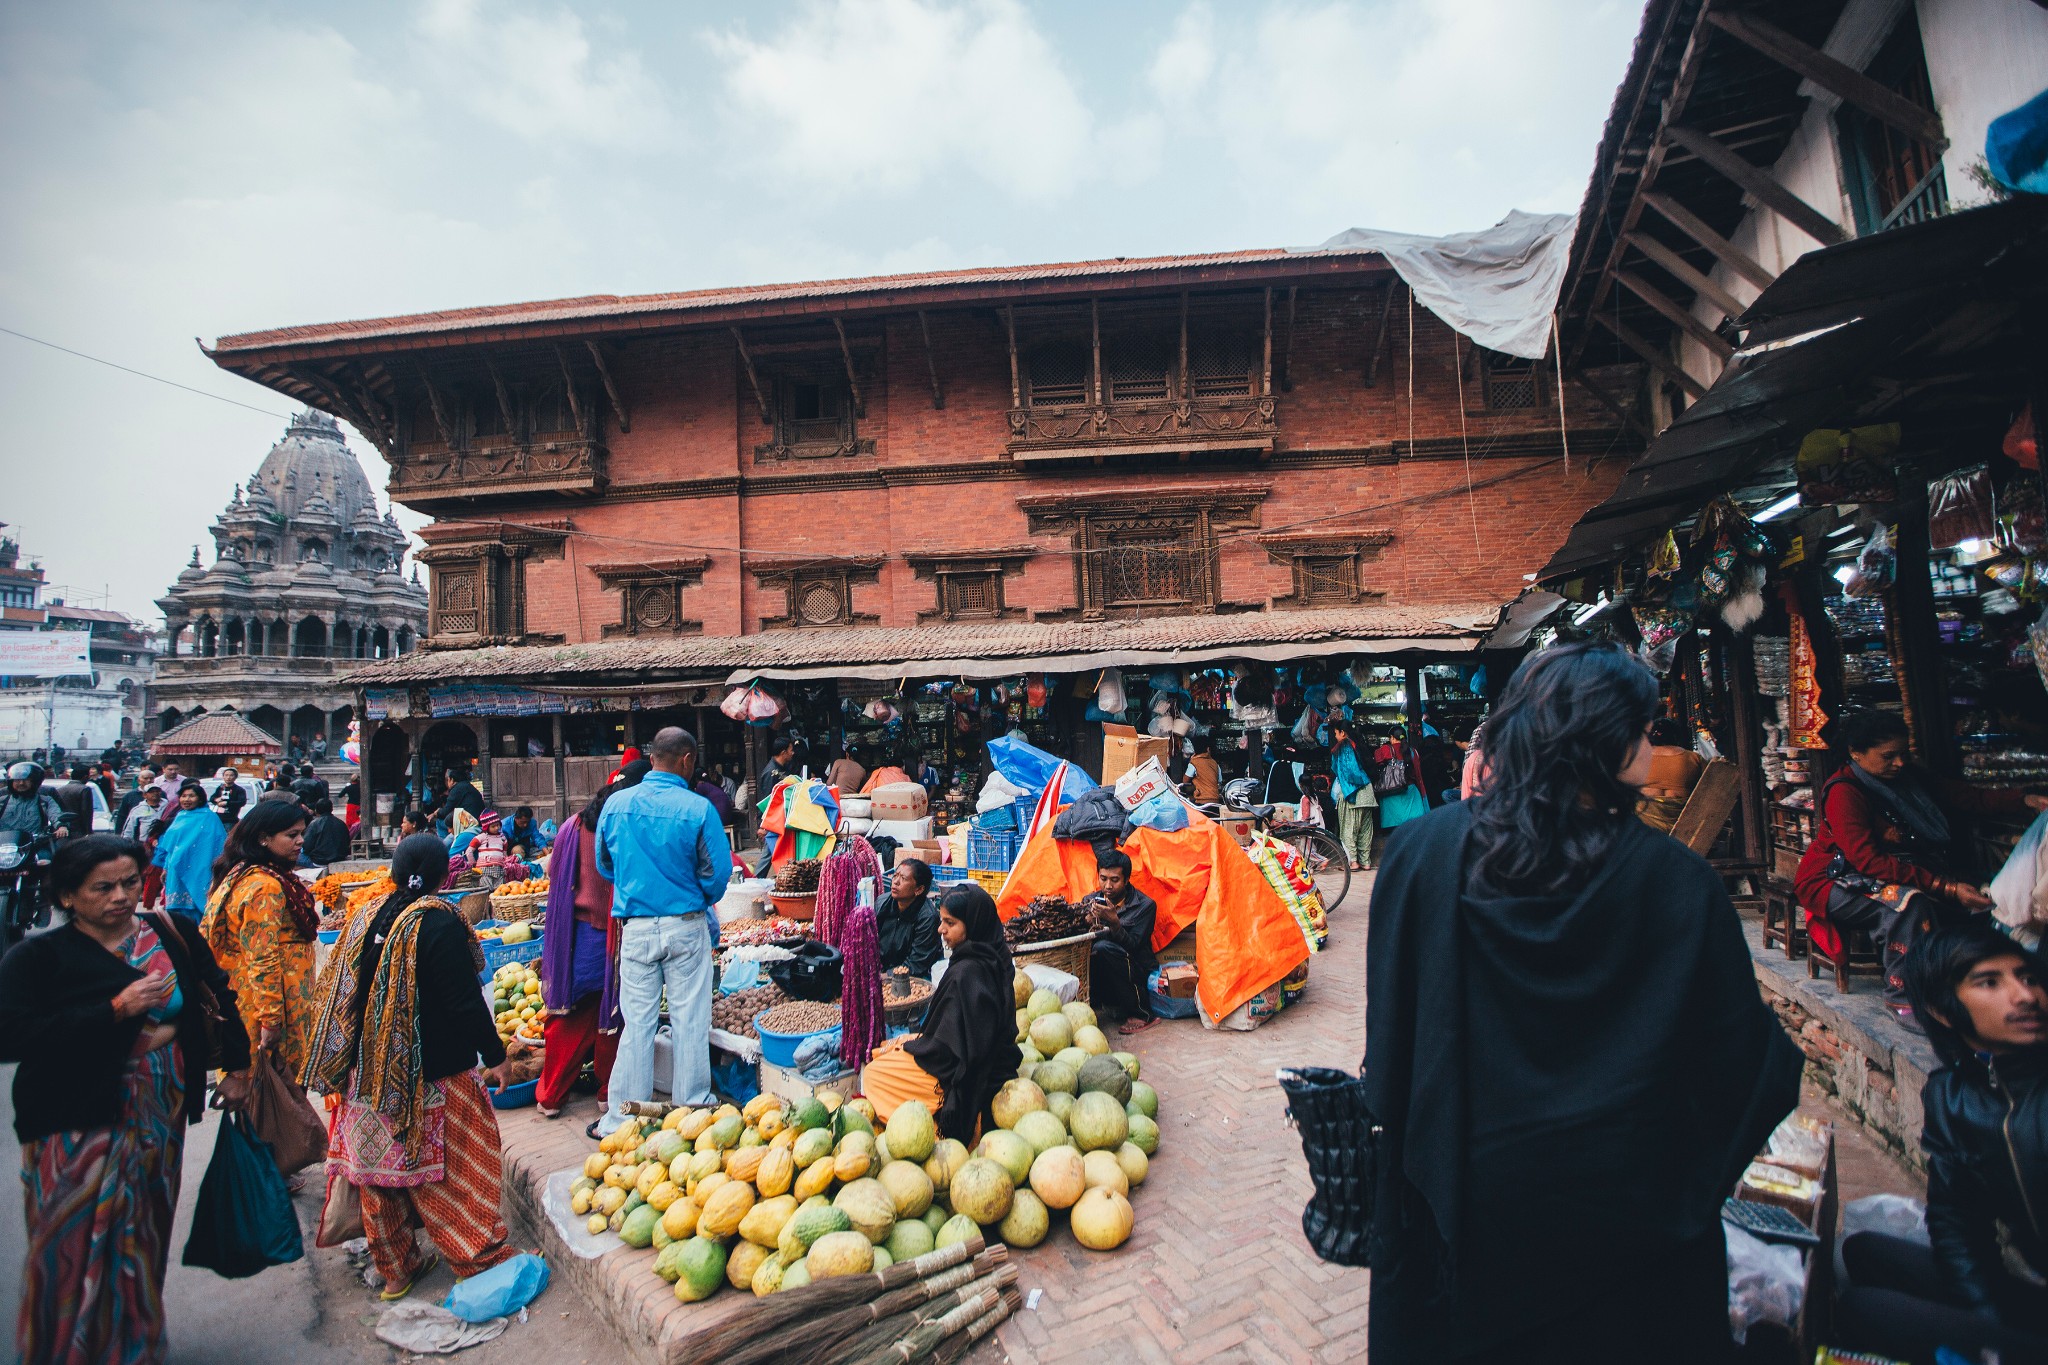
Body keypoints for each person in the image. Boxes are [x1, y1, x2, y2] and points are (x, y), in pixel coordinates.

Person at [1363, 642, 1801, 1361]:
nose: (1654, 746)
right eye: (1646, 728)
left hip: (1462, 1214)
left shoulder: (1418, 855)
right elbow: (1743, 1072)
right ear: (1611, 743)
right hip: (1631, 1230)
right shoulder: (1679, 884)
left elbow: (1392, 1046)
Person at [0, 835, 253, 1365]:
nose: (120, 896)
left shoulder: (170, 931)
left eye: (130, 883)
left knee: (143, 1230)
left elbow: (217, 992)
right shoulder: (39, 957)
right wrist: (114, 1010)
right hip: (70, 1113)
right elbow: (10, 1036)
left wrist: (239, 1067)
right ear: (68, 897)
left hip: (162, 1104)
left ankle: (133, 1347)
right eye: (103, 888)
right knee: (67, 1241)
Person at [302, 835, 517, 1301]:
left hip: (366, 1076)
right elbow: (464, 1003)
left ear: (395, 871)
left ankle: (398, 1271)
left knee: (379, 1179)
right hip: (431, 1076)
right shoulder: (437, 924)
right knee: (454, 1171)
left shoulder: (364, 917)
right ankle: (478, 1258)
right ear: (446, 877)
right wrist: (495, 1056)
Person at [1833, 918, 2048, 1358]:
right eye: (1989, 982)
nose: (2026, 995)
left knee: (1861, 1310)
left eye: (2027, 976)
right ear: (1942, 1009)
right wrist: (1985, 1323)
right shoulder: (1953, 1095)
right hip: (2030, 1297)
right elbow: (1958, 1224)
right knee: (1862, 1252)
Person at [1796, 709, 2048, 1020]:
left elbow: (1965, 796)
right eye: (1889, 756)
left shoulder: (1909, 776)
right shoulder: (1844, 792)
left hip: (1893, 868)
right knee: (1907, 904)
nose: (1899, 763)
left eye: (1903, 754)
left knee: (1984, 898)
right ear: (1856, 753)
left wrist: (2023, 800)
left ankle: (1953, 982)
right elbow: (1867, 860)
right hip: (1834, 880)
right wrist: (1946, 887)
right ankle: (1903, 996)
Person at [596, 727, 731, 1133]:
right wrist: (694, 894)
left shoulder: (617, 804)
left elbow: (606, 864)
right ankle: (691, 1107)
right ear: (687, 761)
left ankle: (622, 1119)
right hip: (686, 925)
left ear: (653, 758)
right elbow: (718, 874)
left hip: (635, 927)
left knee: (637, 1022)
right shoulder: (697, 808)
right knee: (690, 1018)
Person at [860, 883, 1022, 1142]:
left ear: (973, 924)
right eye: (941, 920)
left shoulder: (968, 973)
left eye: (950, 923)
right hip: (973, 1057)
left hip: (966, 1072)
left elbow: (957, 1053)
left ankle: (935, 1131)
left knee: (874, 1074)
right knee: (886, 1050)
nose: (941, 929)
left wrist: (915, 1046)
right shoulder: (992, 954)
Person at [202, 798, 322, 1091]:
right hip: (268, 1010)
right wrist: (270, 1022)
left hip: (253, 1000)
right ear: (264, 839)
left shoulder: (247, 873)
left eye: (301, 833)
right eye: (291, 835)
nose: (300, 841)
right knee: (272, 1100)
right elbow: (263, 957)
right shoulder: (264, 887)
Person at [537, 787, 622, 1120]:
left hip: (576, 935)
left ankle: (551, 1097)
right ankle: (607, 1093)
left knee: (572, 1015)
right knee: (613, 1017)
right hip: (607, 935)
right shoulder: (617, 830)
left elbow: (556, 875)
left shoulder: (570, 827)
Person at [1085, 850, 1158, 1035]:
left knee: (1104, 948)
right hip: (1105, 974)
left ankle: (1142, 1014)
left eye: (1115, 880)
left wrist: (1115, 923)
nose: (1107, 886)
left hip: (1135, 973)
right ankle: (1100, 1003)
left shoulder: (1144, 906)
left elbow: (1134, 945)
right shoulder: (1090, 901)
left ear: (1126, 880)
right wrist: (1083, 923)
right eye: (1103, 878)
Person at [151, 779, 225, 919]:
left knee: (196, 909)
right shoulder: (180, 816)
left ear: (200, 798)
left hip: (200, 869)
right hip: (176, 868)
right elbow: (171, 846)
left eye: (191, 796)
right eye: (183, 796)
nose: (187, 799)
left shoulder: (210, 818)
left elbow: (218, 845)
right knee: (177, 911)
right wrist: (166, 867)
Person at [1635, 717, 1707, 834]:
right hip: (1681, 820)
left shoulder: (1637, 758)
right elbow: (1708, 788)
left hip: (1646, 822)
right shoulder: (1693, 757)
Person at [1328, 718, 1378, 872]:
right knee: (1365, 829)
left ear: (1342, 733)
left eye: (1336, 733)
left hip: (1352, 793)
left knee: (1348, 829)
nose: (1335, 736)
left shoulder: (1344, 746)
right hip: (1368, 793)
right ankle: (1366, 862)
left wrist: (1350, 789)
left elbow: (1350, 772)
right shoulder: (1359, 744)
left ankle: (1353, 862)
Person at [878, 858, 943, 979]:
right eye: (895, 875)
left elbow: (917, 963)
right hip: (884, 969)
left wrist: (885, 976)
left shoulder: (928, 917)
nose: (896, 882)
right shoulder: (882, 903)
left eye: (903, 878)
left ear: (919, 889)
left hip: (917, 973)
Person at [1, 762, 72, 845]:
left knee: (47, 857)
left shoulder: (45, 801)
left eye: (26, 780)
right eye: (17, 780)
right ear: (11, 782)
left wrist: (61, 826)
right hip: (5, 847)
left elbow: (55, 814)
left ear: (35, 782)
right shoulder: (2, 802)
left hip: (35, 845)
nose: (21, 783)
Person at [302, 795, 353, 866]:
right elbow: (347, 842)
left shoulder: (314, 824)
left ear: (316, 810)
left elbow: (306, 846)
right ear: (332, 809)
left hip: (319, 860)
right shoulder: (341, 823)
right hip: (339, 857)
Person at [116, 764, 160, 829]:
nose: (148, 780)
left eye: (151, 778)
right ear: (139, 781)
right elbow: (122, 816)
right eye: (145, 778)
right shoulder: (130, 796)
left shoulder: (161, 794)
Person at [1183, 734, 1222, 804]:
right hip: (1215, 800)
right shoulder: (1215, 764)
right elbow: (1219, 782)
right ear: (1208, 749)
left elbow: (1185, 781)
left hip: (1201, 800)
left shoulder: (1194, 763)